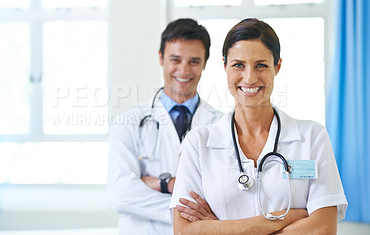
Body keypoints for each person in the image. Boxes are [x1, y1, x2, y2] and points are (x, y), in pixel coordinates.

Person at [170, 18, 348, 234]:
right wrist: (285, 218)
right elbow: (183, 231)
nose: (250, 77)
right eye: (238, 65)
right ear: (224, 66)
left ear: (277, 67)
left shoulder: (311, 137)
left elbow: (323, 228)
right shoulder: (198, 143)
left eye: (261, 65)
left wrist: (220, 228)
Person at [108, 18, 223, 235]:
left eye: (194, 61)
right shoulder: (128, 123)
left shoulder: (222, 126)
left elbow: (226, 196)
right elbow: (122, 196)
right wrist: (191, 213)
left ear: (205, 63)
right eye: (175, 59)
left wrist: (160, 184)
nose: (184, 70)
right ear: (161, 58)